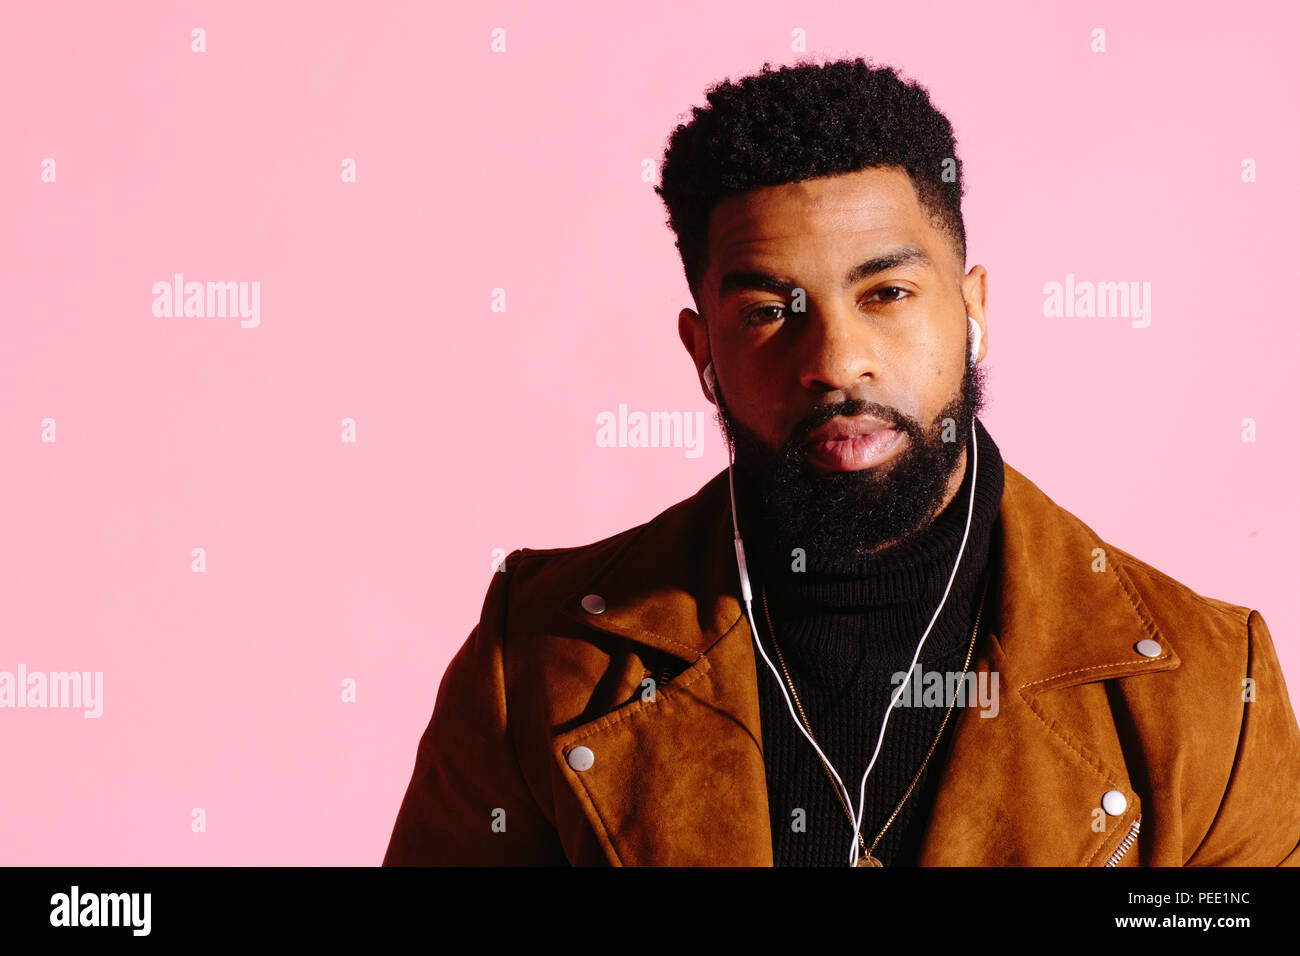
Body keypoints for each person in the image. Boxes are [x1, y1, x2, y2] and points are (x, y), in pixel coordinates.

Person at [383, 57, 1300, 866]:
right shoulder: (542, 660)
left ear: (974, 311)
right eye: (769, 312)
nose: (835, 362)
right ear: (702, 350)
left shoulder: (1211, 690)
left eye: (888, 292)